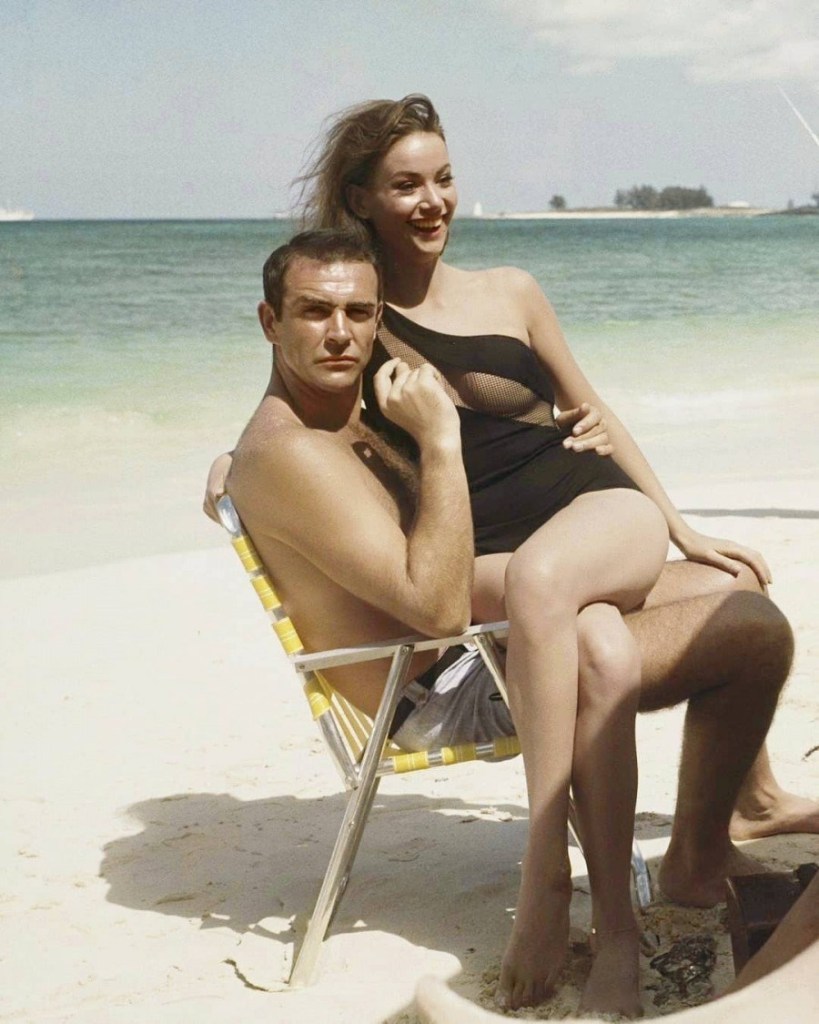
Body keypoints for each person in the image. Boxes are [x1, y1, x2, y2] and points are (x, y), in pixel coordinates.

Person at [214, 228, 794, 1017]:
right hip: (431, 690)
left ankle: (705, 845)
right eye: (315, 312)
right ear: (269, 321)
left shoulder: (338, 415)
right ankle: (601, 915)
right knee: (699, 635)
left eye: (357, 312)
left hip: (460, 647)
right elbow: (434, 606)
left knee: (736, 590)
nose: (340, 333)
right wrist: (439, 440)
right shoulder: (292, 452)